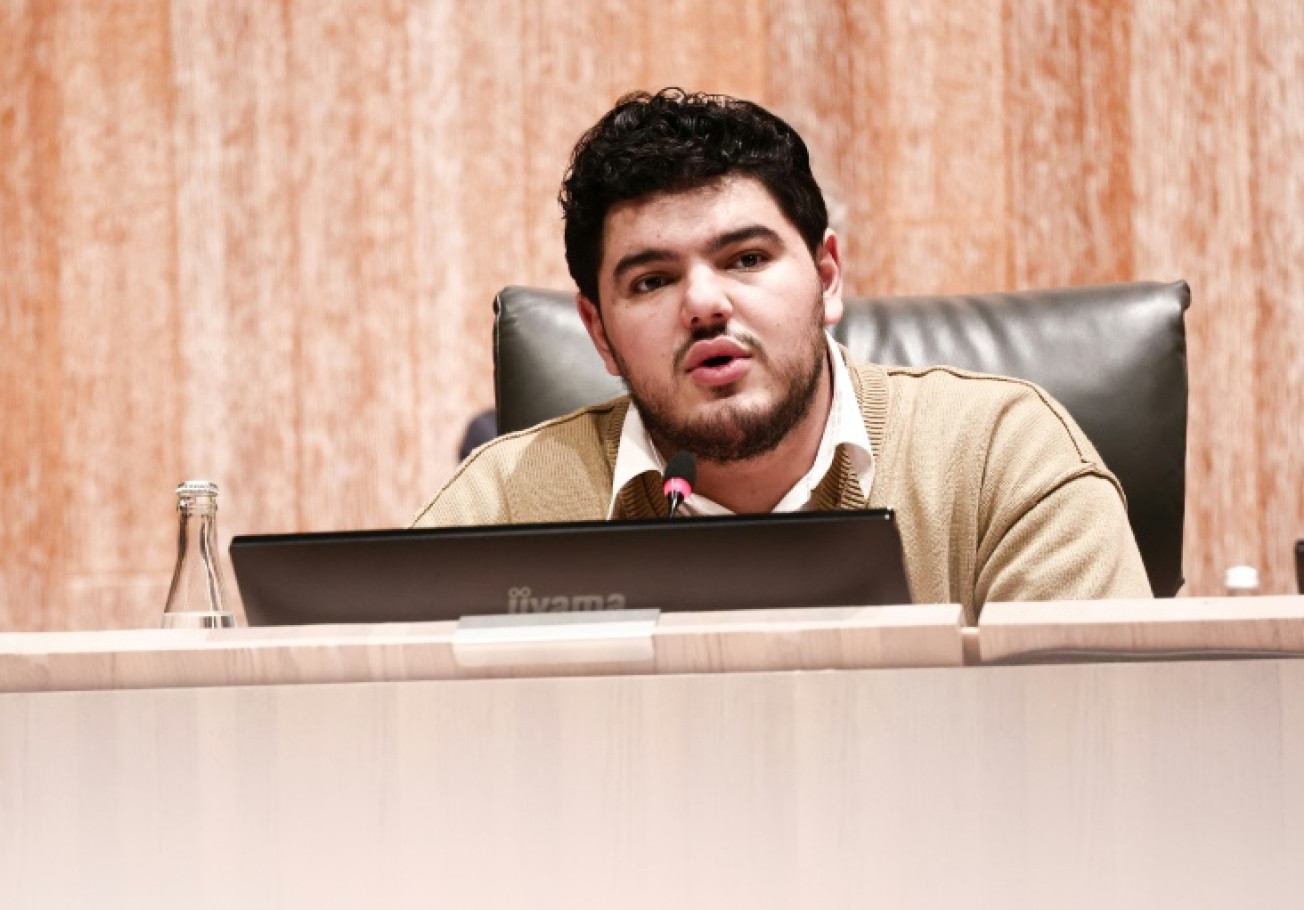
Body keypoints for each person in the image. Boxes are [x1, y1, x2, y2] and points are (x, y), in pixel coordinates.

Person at [412, 88, 1151, 622]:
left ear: (828, 278)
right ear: (599, 332)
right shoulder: (505, 505)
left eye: (745, 259)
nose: (704, 304)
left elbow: (1093, 754)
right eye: (652, 280)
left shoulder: (1000, 459)